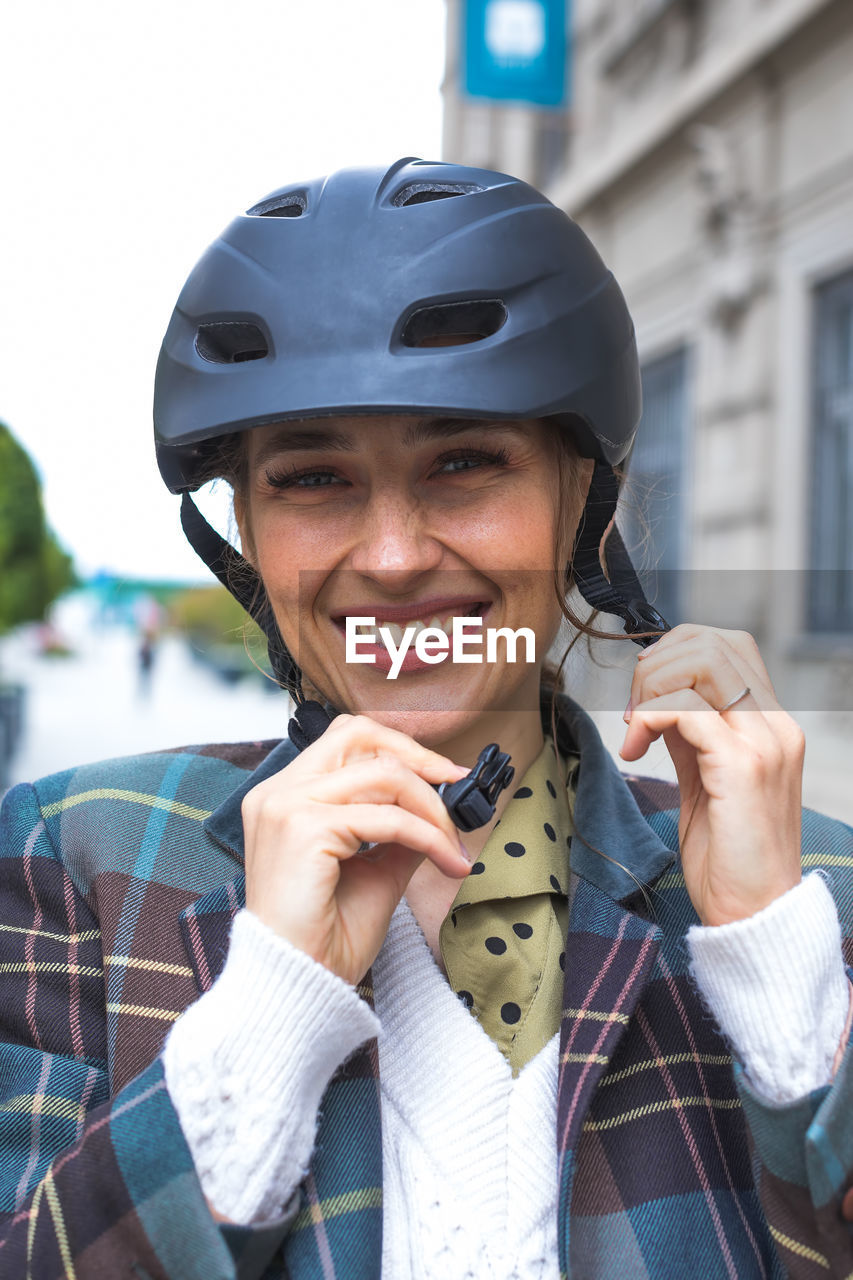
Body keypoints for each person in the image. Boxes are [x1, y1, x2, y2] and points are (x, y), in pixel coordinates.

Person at [1, 159, 852, 1280]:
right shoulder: (80, 854)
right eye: (313, 479)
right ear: (247, 535)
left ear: (583, 504)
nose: (394, 556)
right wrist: (268, 1009)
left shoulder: (810, 891)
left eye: (464, 462)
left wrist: (772, 964)